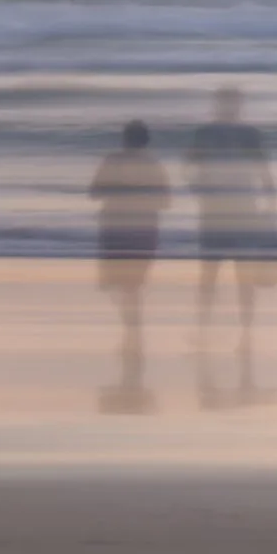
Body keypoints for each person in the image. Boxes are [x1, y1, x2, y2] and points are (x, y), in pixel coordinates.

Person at [185, 86, 277, 349]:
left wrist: (197, 187)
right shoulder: (245, 134)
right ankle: (230, 332)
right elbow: (264, 171)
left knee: (219, 273)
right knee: (225, 274)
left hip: (225, 208)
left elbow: (190, 166)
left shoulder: (213, 133)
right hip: (233, 208)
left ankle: (233, 332)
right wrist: (272, 205)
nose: (232, 107)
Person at [88, 120, 171, 409]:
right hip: (145, 228)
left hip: (116, 226)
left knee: (120, 283)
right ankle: (133, 329)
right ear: (145, 141)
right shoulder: (154, 164)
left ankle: (132, 329)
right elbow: (166, 201)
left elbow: (94, 192)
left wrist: (119, 189)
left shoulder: (112, 161)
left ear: (124, 140)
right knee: (133, 283)